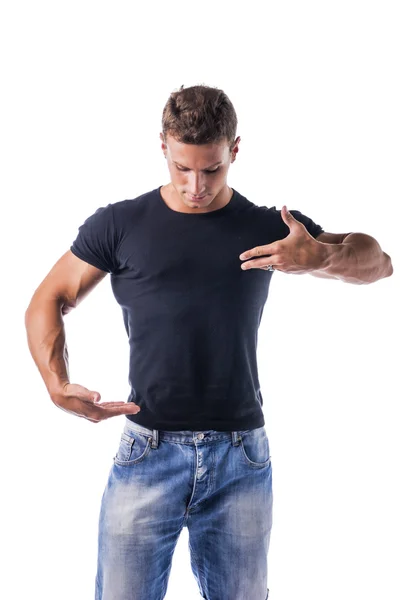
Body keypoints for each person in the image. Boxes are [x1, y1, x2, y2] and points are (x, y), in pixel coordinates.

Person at [25, 84, 393, 600]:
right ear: (163, 147)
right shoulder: (121, 224)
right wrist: (56, 383)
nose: (196, 184)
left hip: (241, 457)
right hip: (145, 451)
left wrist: (320, 258)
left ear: (234, 151)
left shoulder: (271, 228)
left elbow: (378, 262)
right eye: (182, 168)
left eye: (212, 169)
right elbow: (48, 298)